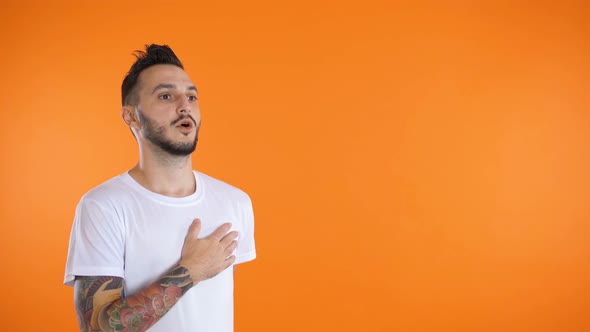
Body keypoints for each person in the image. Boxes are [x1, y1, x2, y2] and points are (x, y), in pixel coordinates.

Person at [64, 44, 256, 332]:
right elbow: (96, 328)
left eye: (191, 96)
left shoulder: (235, 202)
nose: (185, 105)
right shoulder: (103, 206)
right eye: (166, 96)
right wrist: (190, 271)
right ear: (131, 116)